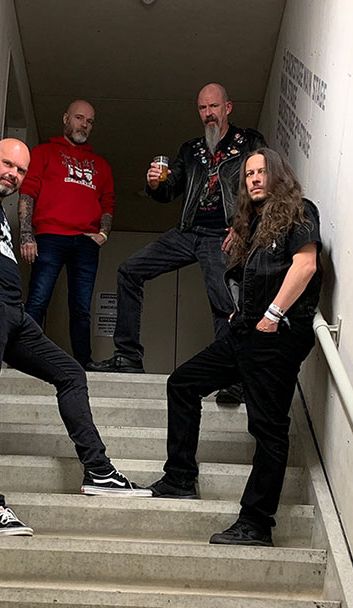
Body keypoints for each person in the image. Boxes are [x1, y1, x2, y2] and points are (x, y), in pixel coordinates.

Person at [0, 139, 149, 537]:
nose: (12, 174)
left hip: (13, 316)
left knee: (71, 373)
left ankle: (98, 470)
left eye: (20, 170)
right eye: (7, 165)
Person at [147, 148, 322, 548]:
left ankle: (256, 524)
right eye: (248, 174)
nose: (255, 179)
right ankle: (179, 478)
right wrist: (241, 313)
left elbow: (306, 265)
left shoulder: (299, 211)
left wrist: (272, 315)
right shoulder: (253, 223)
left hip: (277, 336)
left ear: (278, 175)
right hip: (246, 332)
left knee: (268, 429)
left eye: (262, 172)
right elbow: (249, 277)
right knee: (183, 383)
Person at [88, 83, 266, 400]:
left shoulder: (249, 143)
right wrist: (155, 184)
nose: (208, 114)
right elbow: (170, 189)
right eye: (202, 108)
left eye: (214, 107)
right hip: (188, 232)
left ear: (227, 108)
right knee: (129, 270)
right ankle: (128, 356)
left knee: (224, 303)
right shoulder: (191, 149)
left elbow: (264, 184)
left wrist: (244, 226)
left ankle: (234, 378)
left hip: (222, 234)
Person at [18, 100, 114, 369]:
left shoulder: (101, 165)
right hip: (50, 235)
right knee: (38, 300)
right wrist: (26, 235)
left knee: (81, 308)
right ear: (65, 118)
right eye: (79, 118)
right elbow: (27, 192)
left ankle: (83, 363)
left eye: (89, 121)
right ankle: (23, 358)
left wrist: (103, 234)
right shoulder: (43, 152)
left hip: (86, 241)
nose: (84, 125)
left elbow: (108, 203)